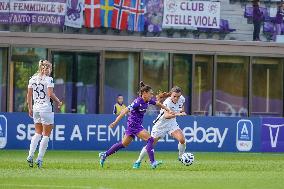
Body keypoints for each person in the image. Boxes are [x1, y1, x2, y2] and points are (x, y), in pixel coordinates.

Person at [99, 81, 173, 169]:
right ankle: (153, 162)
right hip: (134, 125)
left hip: (132, 126)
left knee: (123, 144)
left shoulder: (147, 100)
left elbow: (157, 103)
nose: (152, 95)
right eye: (150, 94)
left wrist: (167, 109)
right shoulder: (137, 102)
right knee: (150, 140)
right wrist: (115, 122)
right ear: (145, 93)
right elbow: (124, 111)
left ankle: (105, 154)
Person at [133, 86, 187, 169]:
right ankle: (138, 161)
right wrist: (178, 114)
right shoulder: (167, 102)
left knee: (182, 140)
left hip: (172, 124)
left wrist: (182, 111)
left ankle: (181, 157)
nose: (176, 98)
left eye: (178, 96)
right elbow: (166, 116)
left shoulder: (182, 99)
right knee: (150, 144)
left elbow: (181, 107)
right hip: (160, 125)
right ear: (171, 95)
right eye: (174, 96)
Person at [26, 60, 63, 168]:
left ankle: (30, 155)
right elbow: (50, 94)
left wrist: (29, 108)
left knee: (37, 133)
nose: (49, 70)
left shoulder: (32, 79)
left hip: (36, 108)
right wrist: (59, 102)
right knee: (46, 135)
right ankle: (39, 159)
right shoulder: (49, 79)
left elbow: (28, 95)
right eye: (49, 68)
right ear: (47, 69)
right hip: (46, 108)